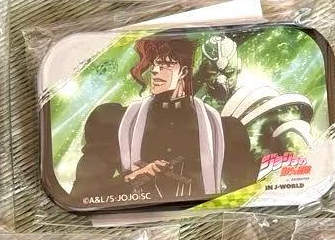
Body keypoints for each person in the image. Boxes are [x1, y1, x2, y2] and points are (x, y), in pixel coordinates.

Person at [70, 35, 257, 204]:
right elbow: (82, 197)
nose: (156, 71)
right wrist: (130, 179)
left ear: (184, 72)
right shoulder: (115, 122)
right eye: (155, 64)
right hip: (133, 223)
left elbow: (248, 196)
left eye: (167, 65)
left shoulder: (224, 130)